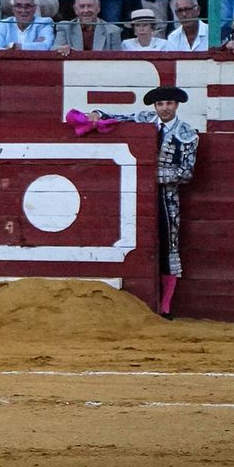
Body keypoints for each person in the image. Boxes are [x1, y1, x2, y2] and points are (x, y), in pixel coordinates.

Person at [93, 86, 196, 319]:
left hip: (166, 198)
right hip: (135, 195)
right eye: (160, 104)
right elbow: (118, 119)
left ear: (177, 105)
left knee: (168, 247)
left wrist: (148, 174)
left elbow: (186, 173)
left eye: (169, 103)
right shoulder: (145, 119)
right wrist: (98, 113)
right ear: (155, 107)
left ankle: (166, 308)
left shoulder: (187, 134)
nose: (164, 108)